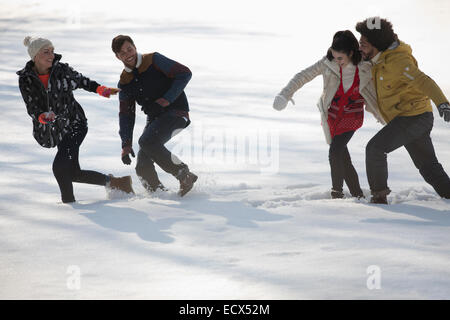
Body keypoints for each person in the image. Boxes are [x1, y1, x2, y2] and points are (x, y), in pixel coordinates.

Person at [17, 36, 134, 204]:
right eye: (46, 52)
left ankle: (69, 205)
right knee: (72, 172)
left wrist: (101, 89)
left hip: (75, 123)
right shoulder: (26, 79)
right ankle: (118, 183)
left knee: (59, 167)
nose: (51, 55)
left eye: (52, 51)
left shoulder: (61, 70)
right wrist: (41, 117)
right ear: (35, 56)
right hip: (57, 128)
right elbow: (32, 105)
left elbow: (82, 81)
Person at [273, 31, 385, 199]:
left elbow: (386, 79)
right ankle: (358, 194)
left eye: (341, 58)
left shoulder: (365, 66)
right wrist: (285, 94)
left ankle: (337, 193)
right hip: (332, 117)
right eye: (334, 56)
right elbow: (303, 75)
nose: (337, 61)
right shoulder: (327, 64)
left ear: (351, 53)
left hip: (352, 117)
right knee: (343, 158)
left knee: (335, 151)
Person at [356, 17, 450, 203]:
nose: (361, 48)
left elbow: (424, 81)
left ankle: (379, 197)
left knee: (375, 149)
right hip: (409, 117)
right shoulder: (377, 58)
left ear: (377, 44)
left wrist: (442, 103)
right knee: (428, 167)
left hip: (414, 117)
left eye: (364, 44)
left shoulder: (398, 61)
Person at [112, 35, 197, 197]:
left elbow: (184, 73)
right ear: (117, 57)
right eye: (122, 53)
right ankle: (159, 196)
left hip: (176, 112)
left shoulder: (154, 60)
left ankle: (184, 174)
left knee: (147, 141)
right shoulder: (124, 82)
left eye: (129, 49)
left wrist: (166, 100)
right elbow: (126, 115)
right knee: (142, 165)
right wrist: (126, 144)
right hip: (155, 119)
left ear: (135, 47)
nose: (127, 54)